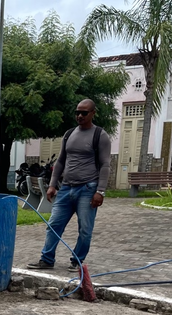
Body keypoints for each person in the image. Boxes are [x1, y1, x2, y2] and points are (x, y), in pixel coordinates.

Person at [28, 99, 112, 272]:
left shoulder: (100, 135)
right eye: (77, 112)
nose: (79, 116)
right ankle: (46, 259)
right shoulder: (69, 134)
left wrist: (100, 191)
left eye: (84, 113)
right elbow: (60, 161)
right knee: (53, 225)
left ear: (93, 113)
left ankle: (77, 261)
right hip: (66, 188)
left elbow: (105, 165)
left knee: (85, 229)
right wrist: (52, 185)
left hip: (88, 189)